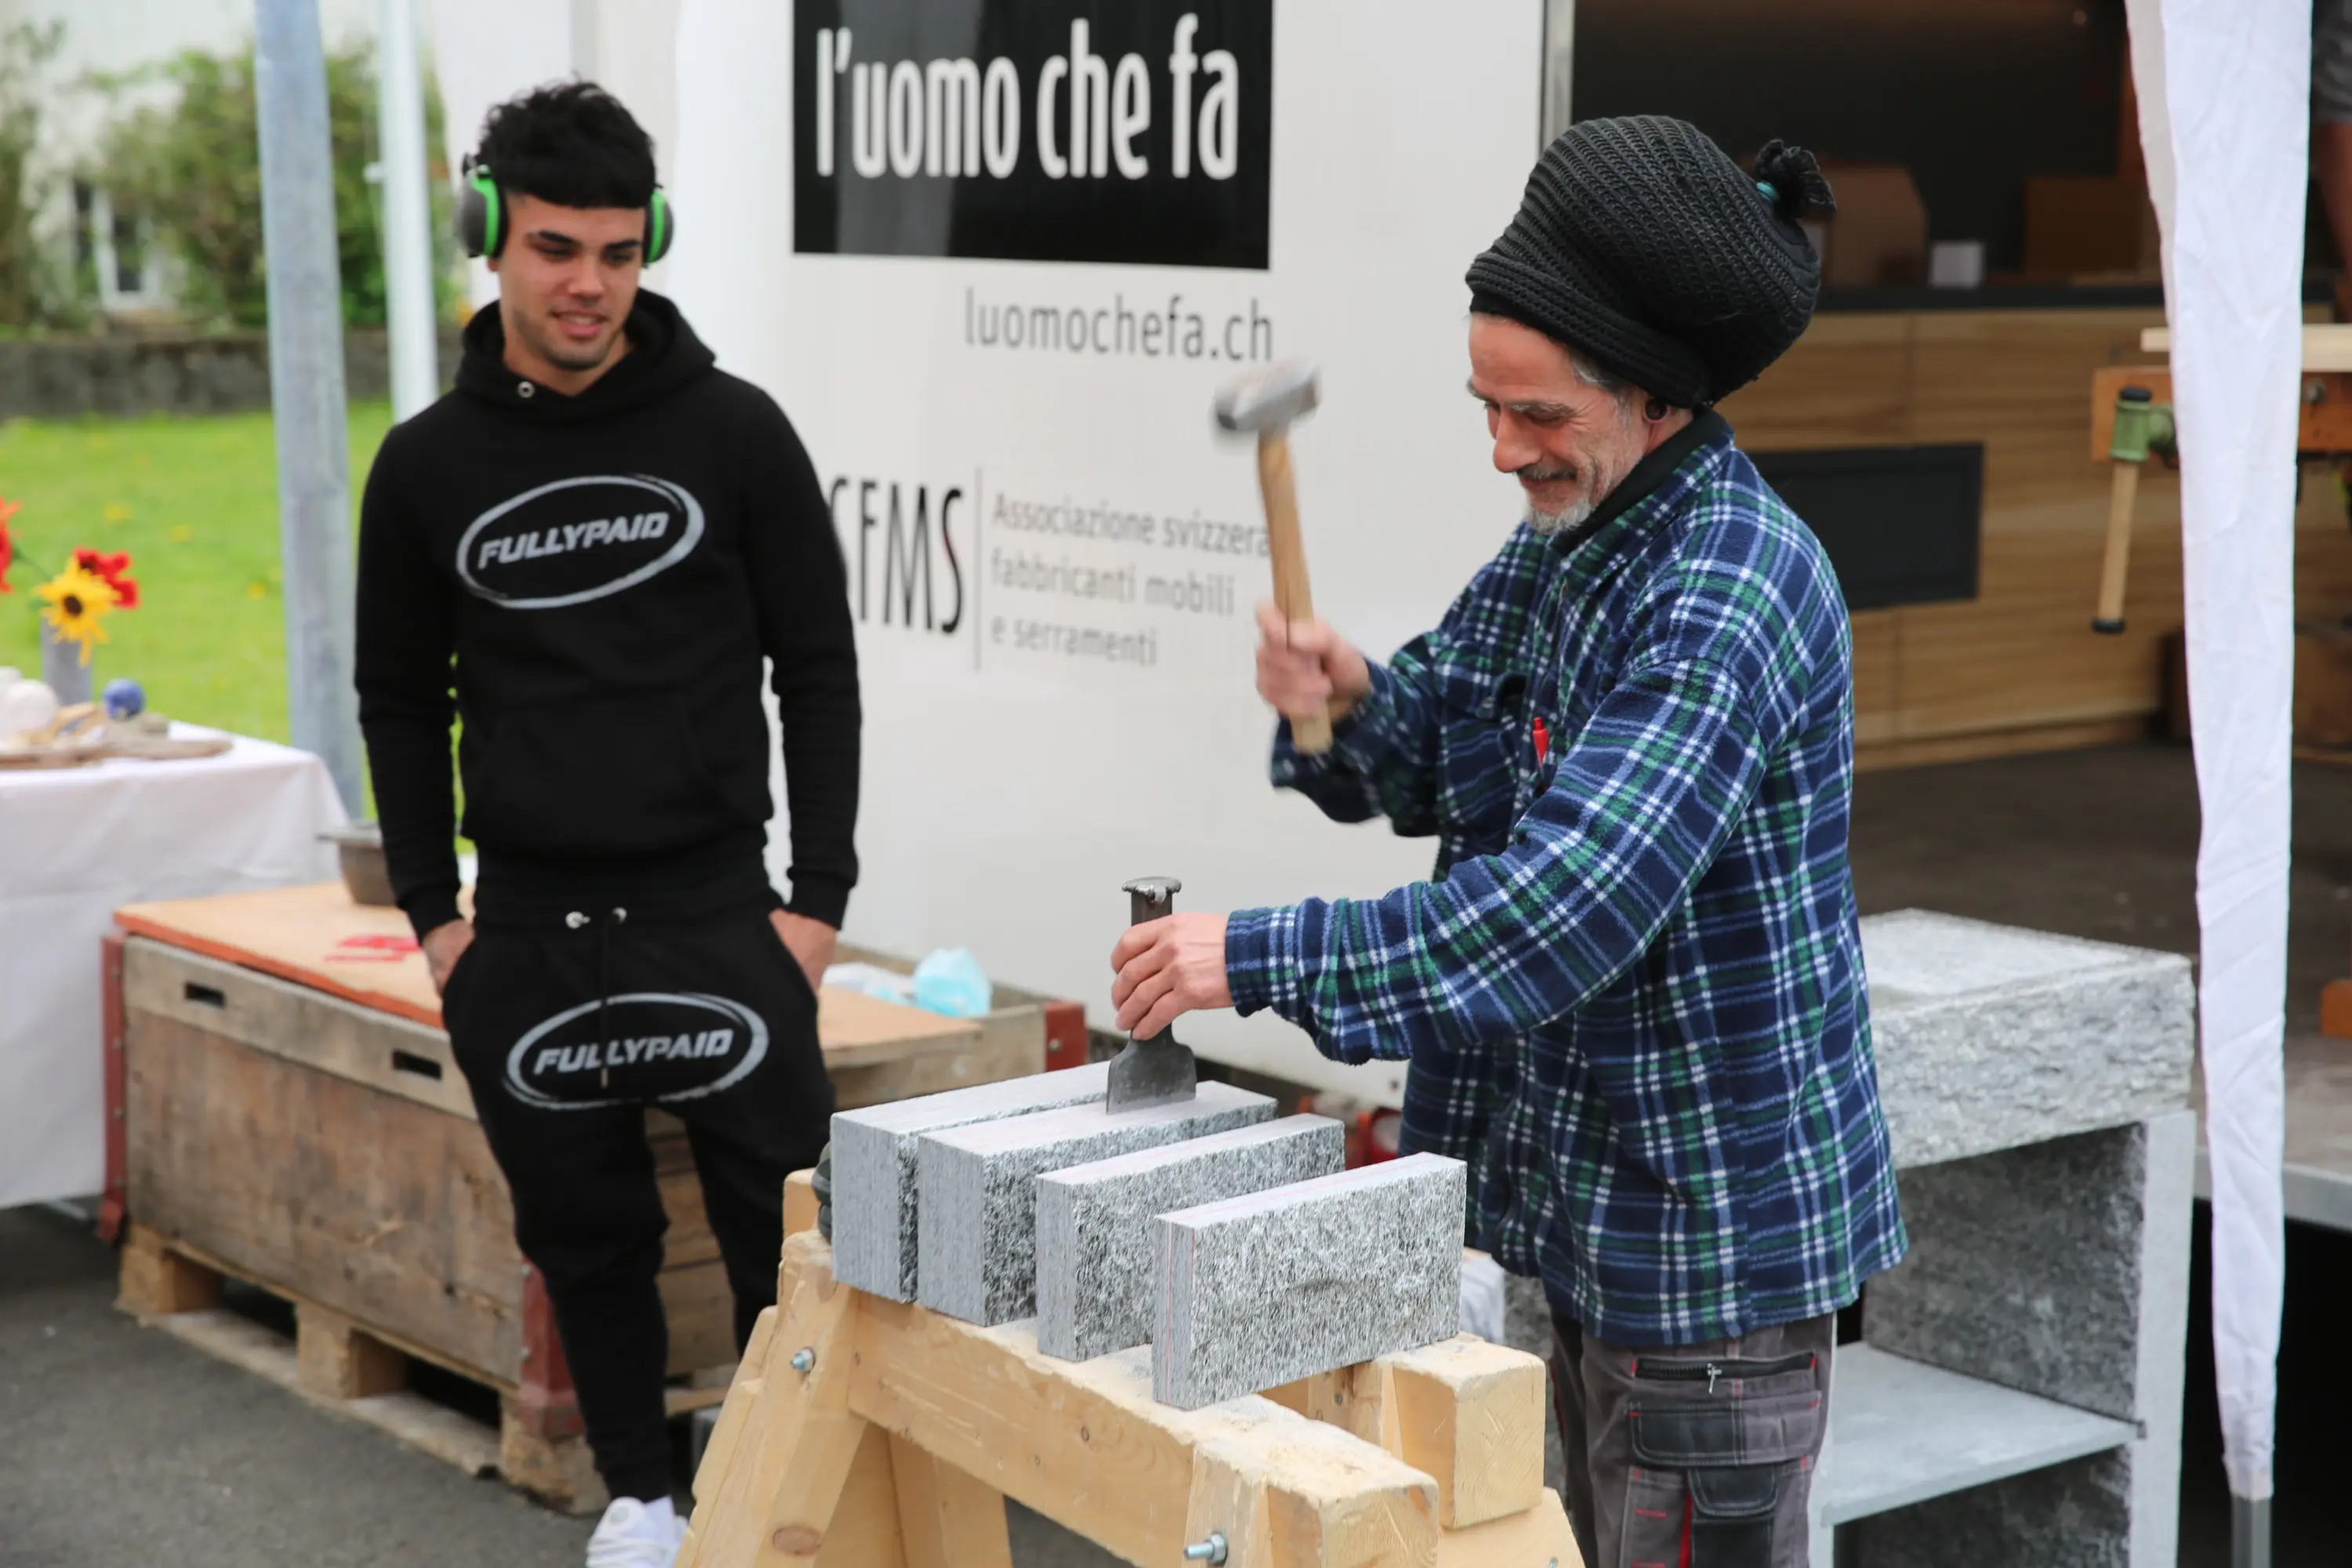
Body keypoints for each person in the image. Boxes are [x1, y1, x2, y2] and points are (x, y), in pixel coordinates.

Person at [1109, 116, 1905, 1568]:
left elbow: (1553, 917)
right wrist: (1348, 704)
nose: (1501, 450)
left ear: (1651, 395)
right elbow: (1443, 743)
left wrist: (1253, 954)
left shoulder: (1727, 588)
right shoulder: (1564, 545)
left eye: (1536, 416)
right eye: (1487, 404)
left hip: (1714, 1259)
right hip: (1600, 1212)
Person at [354, 82, 857, 1568]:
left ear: (653, 250)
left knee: (787, 1235)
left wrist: (813, 902)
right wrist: (437, 920)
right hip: (522, 934)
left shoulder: (737, 434)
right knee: (585, 1237)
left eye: (620, 254)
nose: (588, 285)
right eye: (558, 249)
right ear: (488, 239)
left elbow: (815, 670)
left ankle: (794, 1493)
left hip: (720, 908)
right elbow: (395, 701)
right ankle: (640, 1496)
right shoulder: (425, 468)